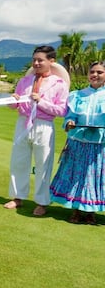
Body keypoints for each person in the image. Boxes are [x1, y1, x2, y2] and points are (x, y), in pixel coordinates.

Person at [3, 45, 69, 216]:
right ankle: (17, 197)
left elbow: (62, 111)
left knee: (43, 164)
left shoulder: (59, 84)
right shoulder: (24, 81)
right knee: (18, 161)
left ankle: (41, 202)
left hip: (44, 125)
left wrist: (41, 101)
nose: (36, 63)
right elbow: (14, 105)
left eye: (40, 60)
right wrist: (12, 100)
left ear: (51, 61)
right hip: (23, 123)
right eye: (34, 60)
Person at [50, 61, 105, 224]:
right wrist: (69, 123)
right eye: (92, 72)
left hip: (99, 144)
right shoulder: (77, 95)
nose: (95, 75)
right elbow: (70, 116)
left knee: (93, 178)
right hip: (78, 142)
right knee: (77, 177)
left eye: (100, 72)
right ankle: (75, 210)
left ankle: (90, 212)